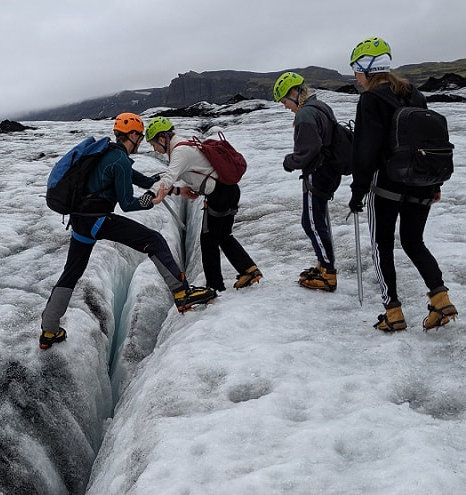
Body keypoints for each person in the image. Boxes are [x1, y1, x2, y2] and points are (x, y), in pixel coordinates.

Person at [39, 113, 215, 349]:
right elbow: (127, 204)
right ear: (131, 135)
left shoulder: (108, 155)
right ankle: (182, 293)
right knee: (153, 240)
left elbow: (141, 180)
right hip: (98, 221)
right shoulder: (119, 161)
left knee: (71, 273)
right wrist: (150, 200)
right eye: (140, 137)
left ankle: (49, 330)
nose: (141, 142)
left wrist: (170, 186)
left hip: (81, 221)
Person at [348, 37, 457, 331]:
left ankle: (393, 311)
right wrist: (434, 186)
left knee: (382, 245)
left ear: (368, 70)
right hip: (422, 182)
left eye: (356, 71)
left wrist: (358, 191)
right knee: (413, 241)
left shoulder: (371, 100)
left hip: (387, 186)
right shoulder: (415, 95)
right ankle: (440, 298)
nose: (355, 78)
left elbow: (365, 149)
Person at [145, 116, 262, 292]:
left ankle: (214, 286)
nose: (153, 148)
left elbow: (169, 177)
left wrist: (151, 193)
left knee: (208, 241)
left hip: (219, 195)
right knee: (223, 235)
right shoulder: (183, 147)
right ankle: (249, 270)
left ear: (162, 138)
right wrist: (180, 190)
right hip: (230, 191)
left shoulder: (179, 152)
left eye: (153, 143)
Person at [274, 72, 342, 292]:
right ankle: (323, 264)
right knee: (316, 220)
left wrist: (289, 162)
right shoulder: (320, 107)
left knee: (311, 222)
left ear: (294, 93)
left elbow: (308, 150)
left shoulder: (305, 114)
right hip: (330, 170)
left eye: (284, 101)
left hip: (318, 173)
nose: (285, 106)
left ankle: (328, 273)